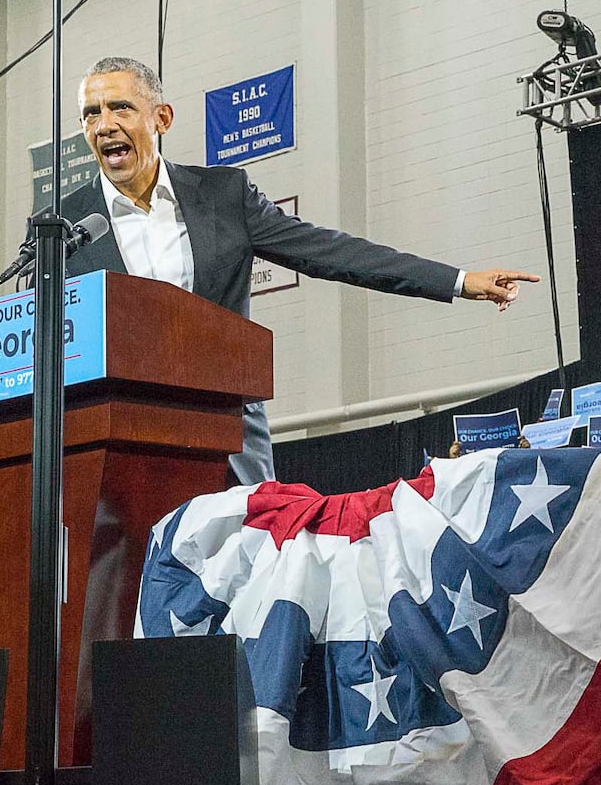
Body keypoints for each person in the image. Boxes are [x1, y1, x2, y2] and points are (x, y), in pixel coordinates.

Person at [60, 57, 539, 483]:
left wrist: (456, 281)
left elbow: (330, 252)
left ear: (161, 118)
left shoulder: (224, 195)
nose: (104, 125)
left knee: (248, 572)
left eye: (120, 108)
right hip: (119, 440)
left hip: (226, 431)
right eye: (91, 113)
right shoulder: (62, 228)